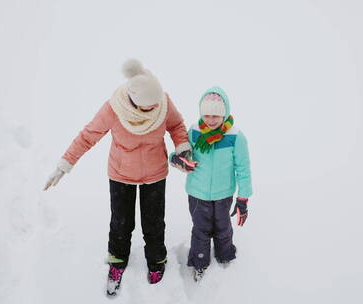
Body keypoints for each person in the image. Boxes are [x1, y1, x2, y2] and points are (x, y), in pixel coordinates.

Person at [43, 59, 193, 296]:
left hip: (155, 173)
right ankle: (117, 260)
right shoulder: (114, 108)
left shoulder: (162, 101)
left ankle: (156, 261)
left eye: (156, 104)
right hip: (121, 174)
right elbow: (87, 136)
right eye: (148, 107)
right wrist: (65, 165)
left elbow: (176, 125)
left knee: (154, 222)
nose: (154, 108)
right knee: (121, 222)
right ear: (134, 101)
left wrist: (183, 148)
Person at [170, 86, 253, 282]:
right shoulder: (194, 132)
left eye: (216, 116)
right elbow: (179, 154)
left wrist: (243, 197)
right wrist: (178, 160)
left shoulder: (235, 136)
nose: (211, 120)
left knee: (223, 226)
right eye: (206, 115)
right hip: (197, 194)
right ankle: (200, 262)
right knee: (201, 228)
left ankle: (225, 256)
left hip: (223, 194)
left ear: (224, 114)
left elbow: (243, 168)